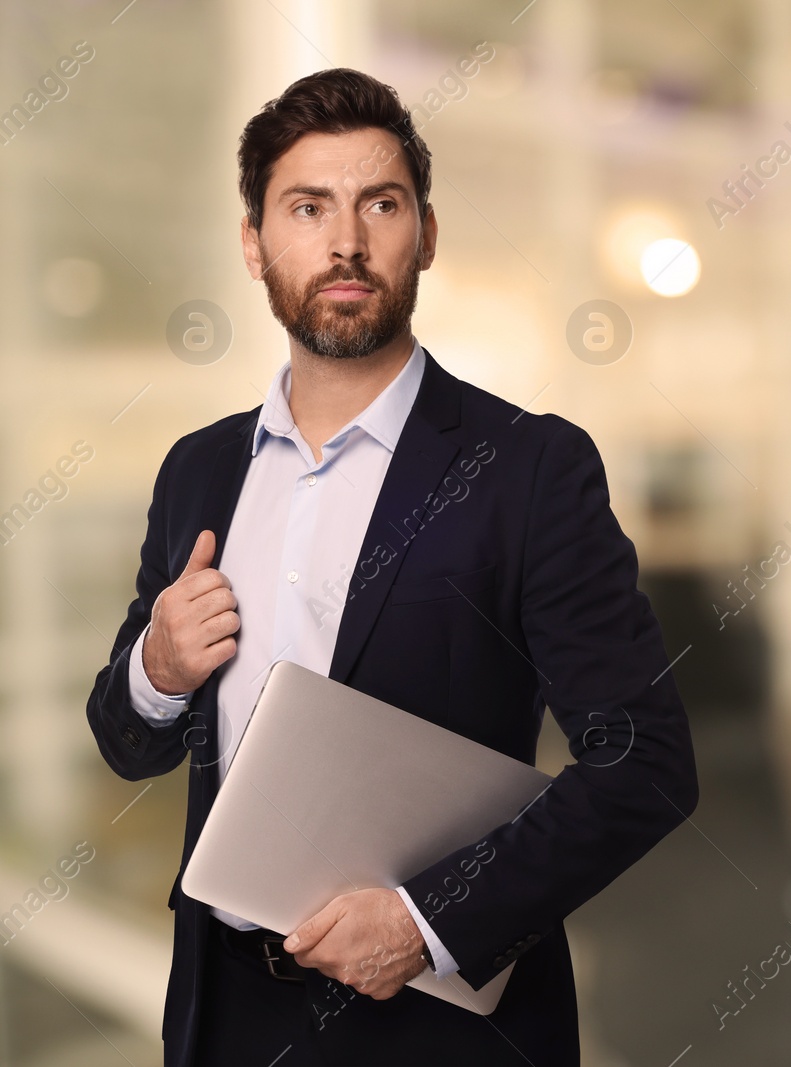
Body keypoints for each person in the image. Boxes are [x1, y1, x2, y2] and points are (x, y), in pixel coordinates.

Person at [83, 67, 698, 1066]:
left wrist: (428, 920)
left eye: (380, 204)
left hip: (439, 1023)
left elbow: (646, 766)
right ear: (254, 242)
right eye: (306, 207)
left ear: (428, 232)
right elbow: (125, 741)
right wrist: (156, 669)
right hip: (225, 1012)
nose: (346, 242)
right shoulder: (198, 470)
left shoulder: (529, 469)